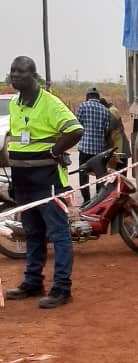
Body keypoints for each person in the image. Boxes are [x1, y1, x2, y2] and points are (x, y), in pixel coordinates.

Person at [1, 56, 82, 308]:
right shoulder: (15, 104)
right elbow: (14, 141)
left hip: (48, 183)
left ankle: (61, 289)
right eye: (12, 71)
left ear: (33, 75)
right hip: (23, 182)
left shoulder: (50, 103)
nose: (15, 75)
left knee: (58, 235)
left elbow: (75, 130)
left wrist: (56, 151)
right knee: (33, 233)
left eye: (21, 71)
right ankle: (33, 282)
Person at [75, 86, 110, 202]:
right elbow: (107, 130)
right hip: (99, 150)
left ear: (87, 97)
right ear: (98, 97)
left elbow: (77, 126)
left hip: (85, 148)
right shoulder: (105, 110)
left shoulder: (82, 107)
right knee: (99, 176)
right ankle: (97, 199)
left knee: (83, 175)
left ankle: (86, 200)